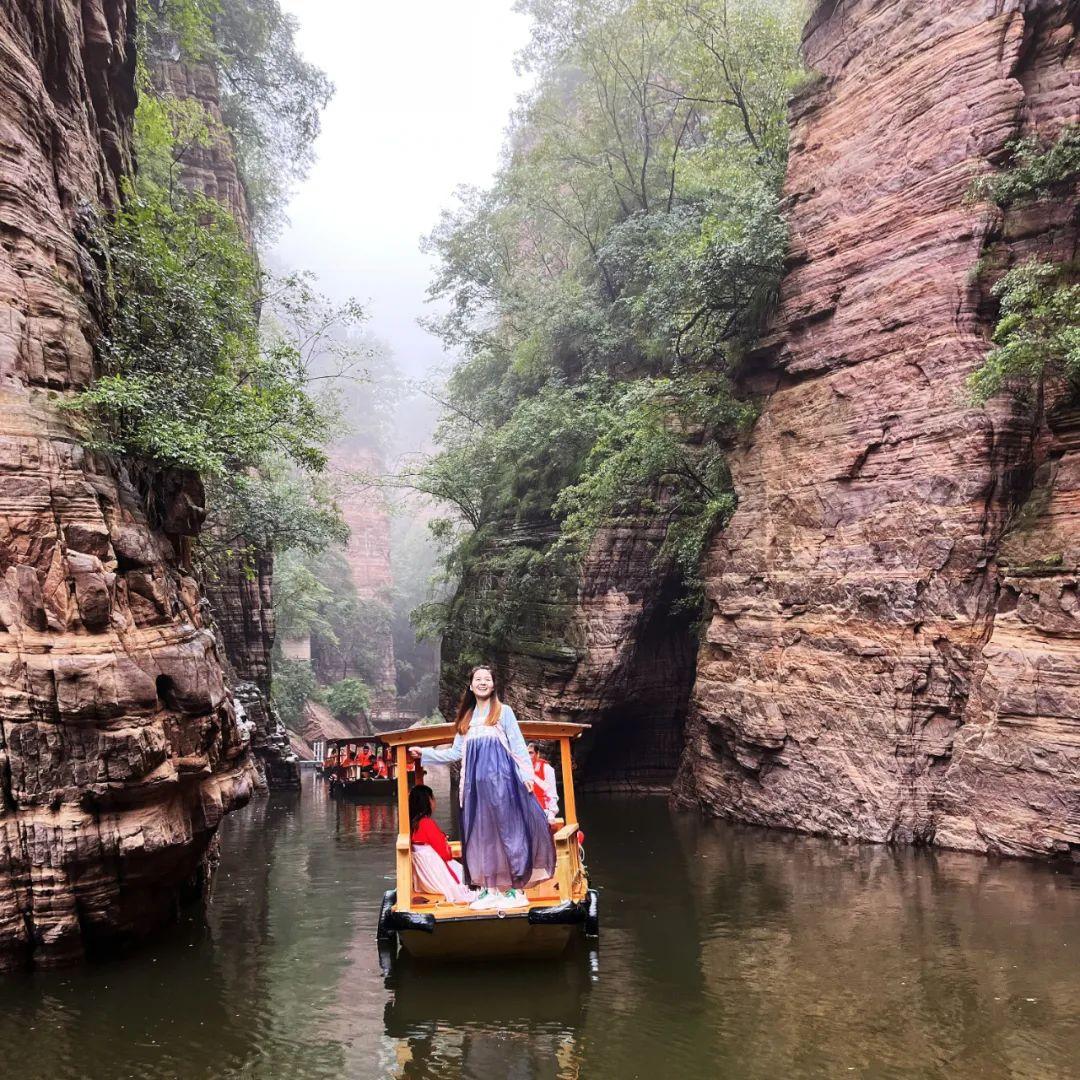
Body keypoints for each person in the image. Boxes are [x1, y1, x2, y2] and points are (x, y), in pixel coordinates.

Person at [409, 665, 556, 912]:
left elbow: (518, 746)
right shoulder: (466, 718)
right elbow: (456, 753)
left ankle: (513, 890)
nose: (482, 682)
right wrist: (424, 754)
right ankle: (488, 889)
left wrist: (527, 775)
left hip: (503, 785)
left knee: (509, 834)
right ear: (470, 685)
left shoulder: (503, 712)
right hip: (475, 790)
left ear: (493, 684)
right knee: (482, 836)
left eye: (487, 679)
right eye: (478, 679)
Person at [408, 784, 475, 903]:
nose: (435, 801)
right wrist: (445, 841)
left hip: (426, 881)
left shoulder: (413, 825)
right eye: (433, 798)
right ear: (427, 801)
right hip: (439, 879)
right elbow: (446, 855)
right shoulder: (426, 824)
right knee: (469, 875)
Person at [528, 743, 560, 823]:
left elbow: (552, 793)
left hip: (542, 810)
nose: (528, 755)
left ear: (537, 754)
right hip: (526, 811)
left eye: (531, 753)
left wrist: (552, 813)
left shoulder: (546, 769)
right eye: (526, 753)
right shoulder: (521, 768)